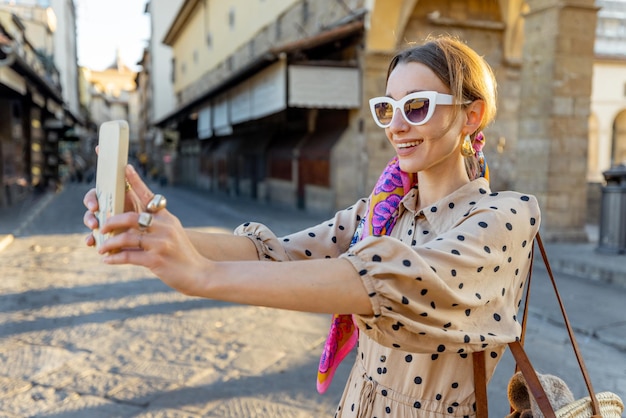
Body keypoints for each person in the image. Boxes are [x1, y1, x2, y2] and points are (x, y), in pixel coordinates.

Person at [83, 35, 541, 417]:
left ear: (471, 115)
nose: (396, 126)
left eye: (417, 106)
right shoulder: (379, 212)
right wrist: (159, 231)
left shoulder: (506, 217)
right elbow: (277, 253)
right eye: (387, 108)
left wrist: (201, 276)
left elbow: (381, 280)